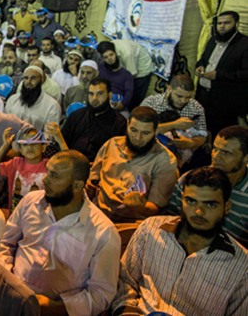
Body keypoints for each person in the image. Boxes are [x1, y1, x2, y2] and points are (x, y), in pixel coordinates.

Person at [0, 150, 121, 315]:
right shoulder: (31, 201)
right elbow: (5, 243)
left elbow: (101, 294)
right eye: (47, 172)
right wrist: (6, 280)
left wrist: (56, 307)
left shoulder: (103, 233)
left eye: (54, 176)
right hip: (7, 297)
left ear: (77, 185)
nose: (45, 180)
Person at [111, 166, 248, 315]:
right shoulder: (151, 230)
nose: (198, 212)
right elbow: (125, 282)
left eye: (210, 204)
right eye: (191, 201)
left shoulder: (242, 267)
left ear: (226, 207)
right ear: (182, 200)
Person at [88, 106, 179, 223]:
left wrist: (139, 207)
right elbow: (93, 178)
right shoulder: (112, 144)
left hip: (129, 222)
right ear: (127, 125)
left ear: (155, 132)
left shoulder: (165, 160)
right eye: (134, 130)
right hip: (96, 212)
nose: (137, 138)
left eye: (145, 133)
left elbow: (156, 207)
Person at [167, 126, 248, 247]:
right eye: (215, 149)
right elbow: (171, 220)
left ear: (246, 158)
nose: (216, 156)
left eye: (226, 152)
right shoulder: (189, 180)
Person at [47, 78, 127, 161]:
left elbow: (116, 158)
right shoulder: (77, 116)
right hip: (69, 165)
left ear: (109, 95)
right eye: (91, 94)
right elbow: (61, 144)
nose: (94, 98)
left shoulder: (119, 123)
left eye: (100, 94)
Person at [196, 11, 248, 136]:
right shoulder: (213, 40)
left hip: (225, 101)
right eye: (219, 23)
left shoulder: (244, 44)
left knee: (220, 134)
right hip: (204, 96)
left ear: (236, 23)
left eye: (227, 23)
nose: (222, 26)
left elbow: (246, 73)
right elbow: (203, 59)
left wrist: (219, 75)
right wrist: (200, 66)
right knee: (200, 131)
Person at [141, 73, 207, 168]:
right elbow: (140, 129)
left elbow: (202, 136)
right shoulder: (151, 103)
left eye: (188, 97)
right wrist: (174, 125)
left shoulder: (196, 107)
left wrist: (190, 143)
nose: (183, 101)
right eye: (179, 96)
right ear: (169, 89)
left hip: (183, 155)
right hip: (150, 152)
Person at [0, 126, 49, 212]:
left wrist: (60, 140)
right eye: (25, 144)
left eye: (34, 143)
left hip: (39, 218)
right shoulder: (15, 163)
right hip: (15, 216)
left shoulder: (49, 166)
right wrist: (5, 146)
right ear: (20, 149)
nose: (30, 147)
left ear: (43, 147)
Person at [5, 65, 61, 131]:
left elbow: (50, 135)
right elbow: (6, 126)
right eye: (26, 78)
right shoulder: (12, 100)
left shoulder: (52, 106)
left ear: (41, 80)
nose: (29, 82)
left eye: (33, 78)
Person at [96, 41, 135, 111]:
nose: (110, 58)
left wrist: (122, 104)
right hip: (101, 102)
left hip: (119, 105)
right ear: (102, 58)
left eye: (111, 55)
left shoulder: (126, 74)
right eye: (106, 57)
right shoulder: (99, 69)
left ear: (115, 53)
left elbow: (129, 93)